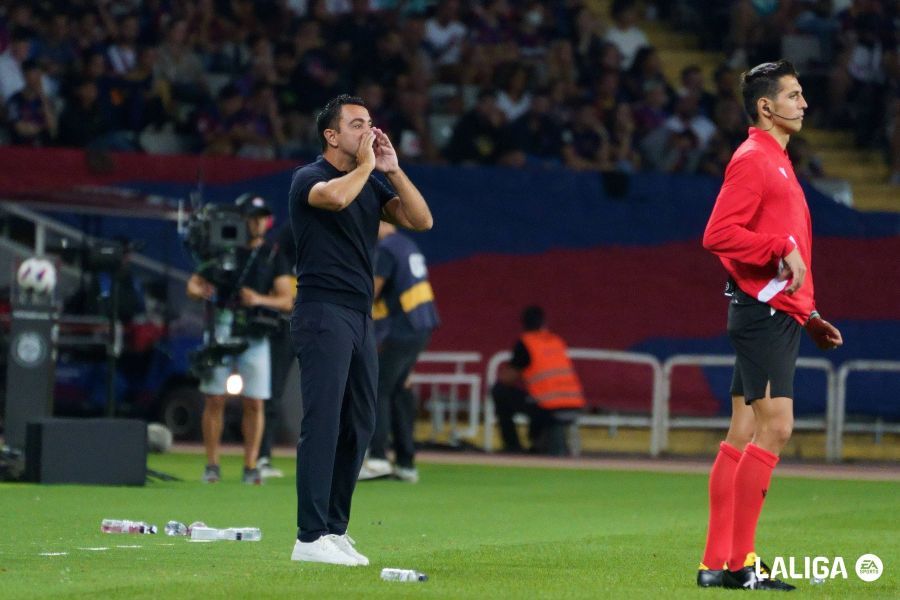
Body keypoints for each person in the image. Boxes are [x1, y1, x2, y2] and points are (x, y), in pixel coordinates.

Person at [697, 60, 843, 591]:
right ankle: (740, 565)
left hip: (775, 312)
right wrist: (778, 247)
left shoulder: (775, 160)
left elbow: (788, 259)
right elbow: (718, 234)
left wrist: (808, 314)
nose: (803, 103)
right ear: (767, 107)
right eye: (795, 95)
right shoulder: (755, 159)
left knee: (742, 431)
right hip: (762, 315)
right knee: (776, 428)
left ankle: (718, 563)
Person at [288, 94, 433, 566]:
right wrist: (367, 166)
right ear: (331, 136)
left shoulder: (370, 183)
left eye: (370, 123)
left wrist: (389, 169)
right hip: (321, 310)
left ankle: (335, 528)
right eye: (356, 125)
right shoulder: (310, 178)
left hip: (358, 315)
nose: (368, 131)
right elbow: (335, 197)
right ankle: (309, 537)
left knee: (360, 423)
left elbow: (421, 219)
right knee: (323, 421)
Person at [186, 193, 294, 485]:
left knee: (255, 402)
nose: (256, 223)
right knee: (214, 398)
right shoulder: (222, 249)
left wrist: (258, 299)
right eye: (251, 217)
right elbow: (195, 281)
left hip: (255, 335)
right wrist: (198, 290)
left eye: (260, 217)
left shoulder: (273, 255)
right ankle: (212, 465)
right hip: (222, 327)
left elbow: (287, 300)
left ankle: (251, 465)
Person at [358, 221, 440, 483]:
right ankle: (406, 463)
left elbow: (371, 292)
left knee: (378, 389)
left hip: (401, 329)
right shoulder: (407, 244)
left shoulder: (386, 249)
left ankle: (378, 458)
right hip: (420, 327)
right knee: (399, 391)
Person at [490, 305, 586, 454]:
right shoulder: (556, 341)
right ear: (544, 322)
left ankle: (513, 446)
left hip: (549, 406)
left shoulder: (526, 343)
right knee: (533, 400)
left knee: (499, 391)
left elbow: (507, 378)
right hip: (574, 404)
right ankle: (537, 443)